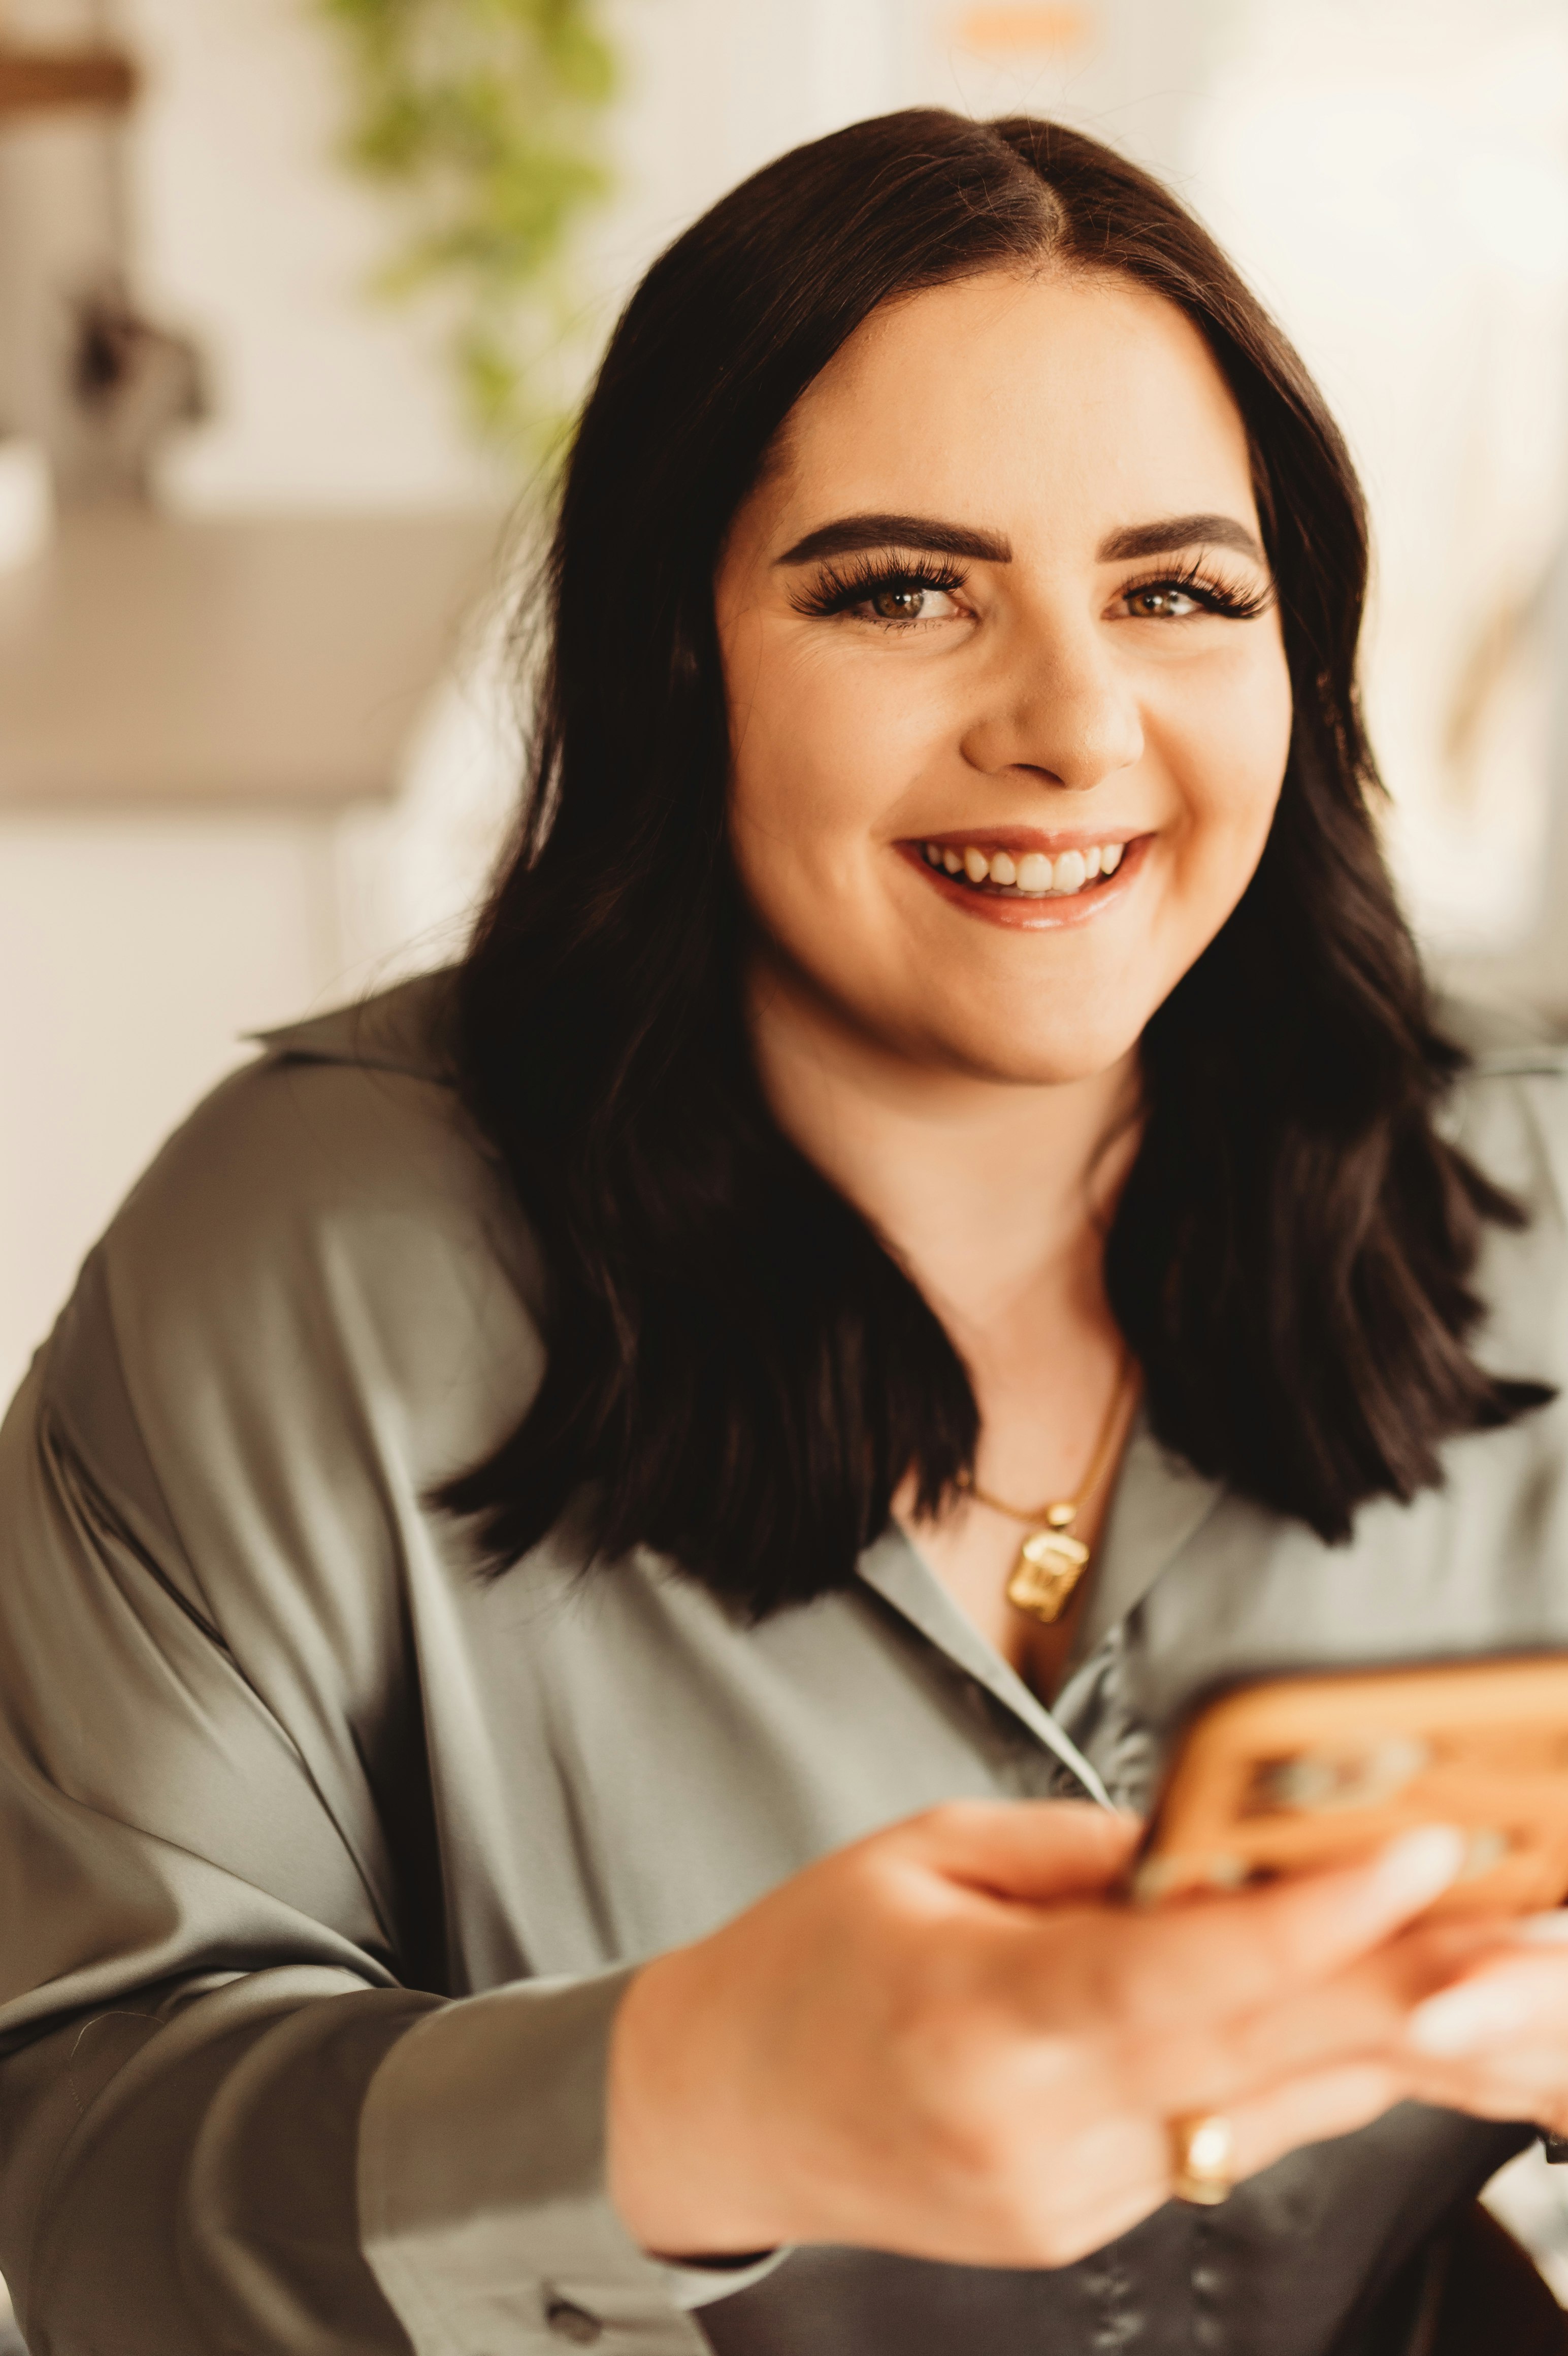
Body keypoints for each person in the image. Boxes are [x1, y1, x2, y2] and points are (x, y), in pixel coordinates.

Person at [2, 108, 1567, 2356]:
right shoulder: (299, 1260)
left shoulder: (1537, 1187)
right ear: (673, 655)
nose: (1073, 721)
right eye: (901, 586)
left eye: (1179, 590)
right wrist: (690, 2094)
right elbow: (84, 2183)